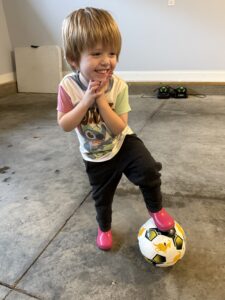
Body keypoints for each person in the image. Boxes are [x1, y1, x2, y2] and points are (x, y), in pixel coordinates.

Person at [57, 7, 174, 251]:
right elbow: (65, 124)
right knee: (102, 197)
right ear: (73, 59)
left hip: (123, 143)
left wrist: (101, 100)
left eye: (112, 53)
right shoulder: (68, 87)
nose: (107, 60)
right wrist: (87, 100)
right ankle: (105, 228)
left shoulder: (118, 86)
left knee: (148, 170)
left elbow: (120, 126)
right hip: (95, 154)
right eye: (97, 53)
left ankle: (156, 209)